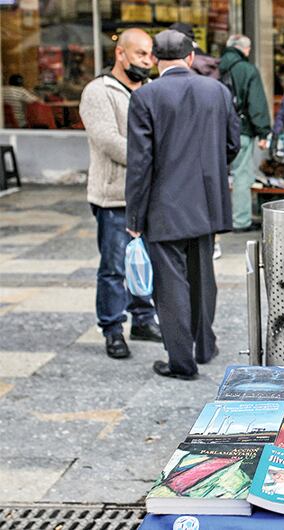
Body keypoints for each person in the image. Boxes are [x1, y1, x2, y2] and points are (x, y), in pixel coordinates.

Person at [126, 30, 241, 380]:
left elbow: (140, 163)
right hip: (206, 201)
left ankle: (181, 361)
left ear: (156, 60)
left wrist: (134, 214)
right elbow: (232, 145)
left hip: (164, 203)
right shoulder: (217, 91)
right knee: (203, 277)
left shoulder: (146, 96)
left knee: (171, 284)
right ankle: (205, 347)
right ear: (190, 57)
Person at [79, 28, 161, 360]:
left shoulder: (153, 90)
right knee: (114, 267)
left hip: (150, 194)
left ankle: (143, 319)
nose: (147, 60)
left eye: (150, 54)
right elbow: (109, 142)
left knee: (147, 263)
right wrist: (156, 156)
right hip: (113, 197)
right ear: (121, 54)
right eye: (141, 54)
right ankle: (113, 329)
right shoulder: (98, 92)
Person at [219, 34, 271, 232]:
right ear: (245, 49)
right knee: (241, 175)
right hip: (240, 129)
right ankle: (240, 220)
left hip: (213, 129)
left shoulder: (214, 67)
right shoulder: (247, 70)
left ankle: (219, 218)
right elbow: (256, 104)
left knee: (216, 175)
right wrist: (263, 131)